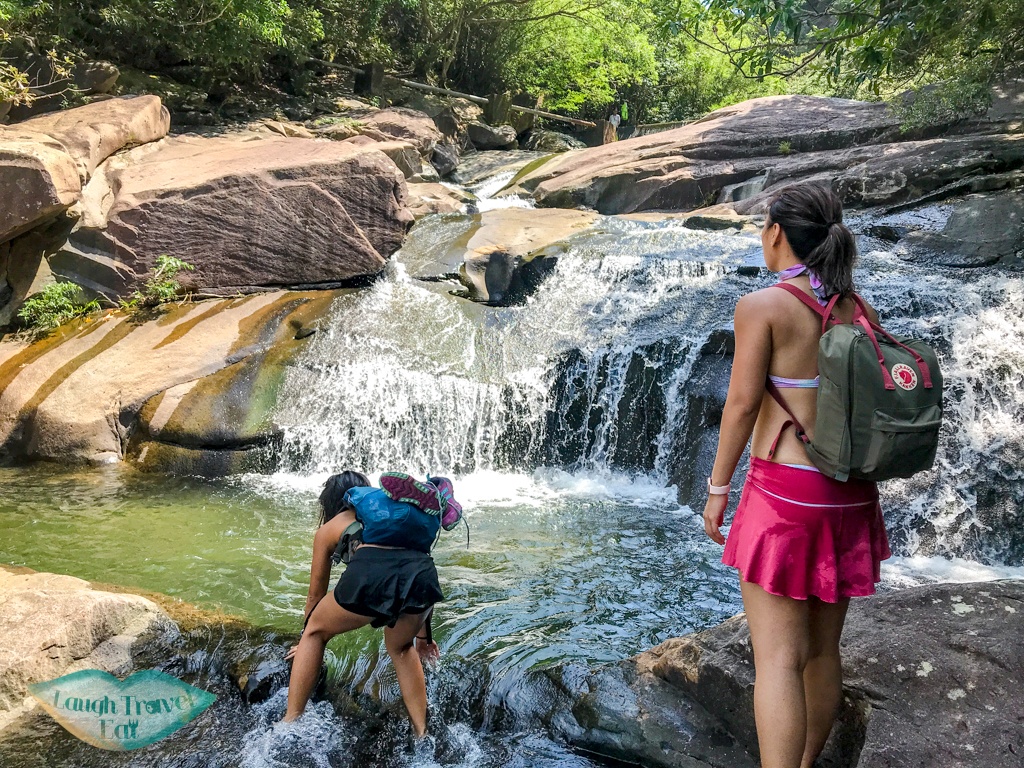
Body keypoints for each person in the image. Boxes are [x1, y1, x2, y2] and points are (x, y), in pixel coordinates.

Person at [702, 183, 891, 768]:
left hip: (786, 498)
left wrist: (717, 490)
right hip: (851, 497)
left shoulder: (762, 307)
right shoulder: (856, 309)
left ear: (776, 233)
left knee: (778, 659)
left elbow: (739, 406)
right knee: (822, 651)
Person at [283, 471, 443, 737]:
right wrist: (424, 639)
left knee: (316, 632)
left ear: (331, 502)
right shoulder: (394, 519)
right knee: (401, 647)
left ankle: (290, 722)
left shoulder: (330, 528)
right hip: (424, 577)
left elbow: (315, 596)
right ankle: (422, 733)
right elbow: (413, 570)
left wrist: (305, 640)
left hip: (372, 575)